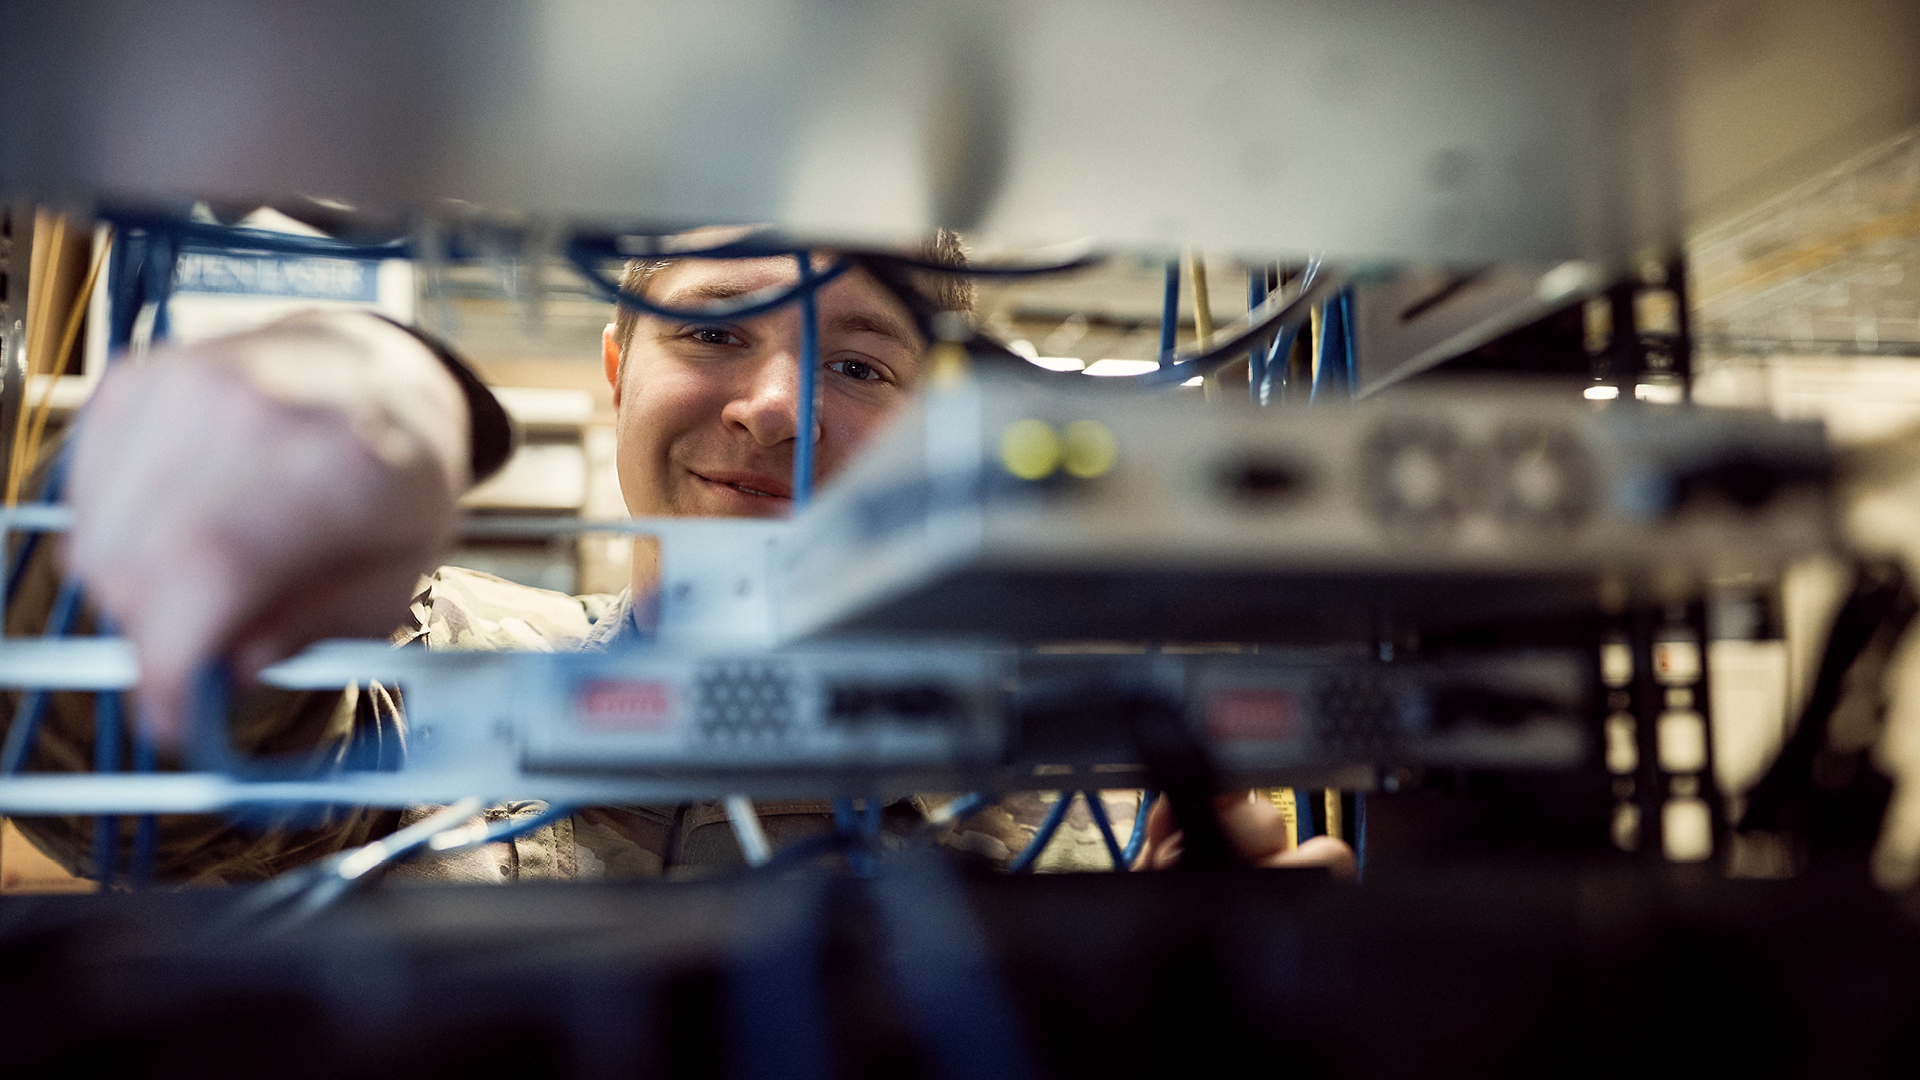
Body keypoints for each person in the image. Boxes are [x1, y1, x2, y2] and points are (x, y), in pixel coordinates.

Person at [7, 230, 1352, 882]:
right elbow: (110, 775)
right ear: (616, 368)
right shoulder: (431, 676)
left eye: (861, 365)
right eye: (715, 332)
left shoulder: (1081, 802)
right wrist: (325, 424)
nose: (775, 407)